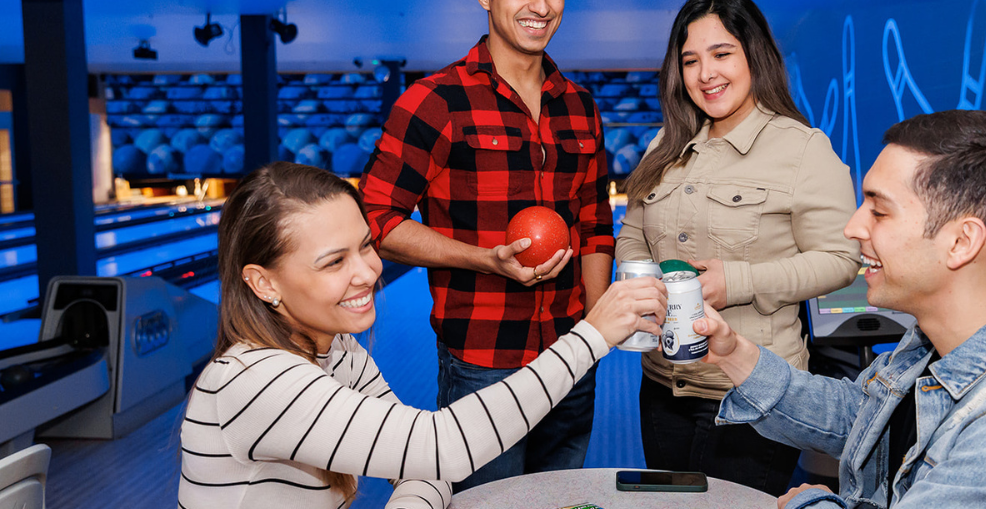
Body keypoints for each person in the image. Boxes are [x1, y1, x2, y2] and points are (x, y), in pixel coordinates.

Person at [693, 110, 986, 508]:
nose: (853, 227)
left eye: (879, 211)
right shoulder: (938, 342)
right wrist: (732, 354)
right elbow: (859, 417)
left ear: (962, 242)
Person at [178, 162, 667, 509]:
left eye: (367, 246)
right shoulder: (253, 382)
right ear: (263, 282)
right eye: (334, 262)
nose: (368, 272)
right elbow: (444, 446)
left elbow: (425, 464)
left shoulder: (338, 351)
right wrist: (590, 336)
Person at [358, 0, 613, 490]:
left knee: (557, 500)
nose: (539, 5)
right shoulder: (434, 101)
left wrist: (595, 332)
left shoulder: (580, 107)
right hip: (483, 361)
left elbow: (596, 224)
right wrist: (486, 259)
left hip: (572, 355)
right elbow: (375, 220)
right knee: (487, 504)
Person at [614, 0, 861, 495]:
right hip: (663, 385)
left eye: (722, 54)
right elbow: (633, 232)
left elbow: (841, 259)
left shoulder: (802, 149)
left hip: (750, 390)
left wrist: (740, 281)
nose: (706, 73)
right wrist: (639, 281)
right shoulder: (668, 143)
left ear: (754, 55)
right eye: (690, 60)